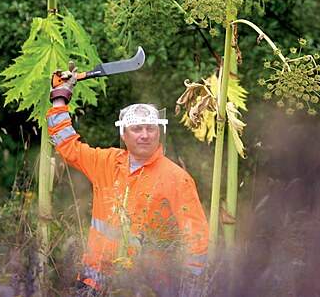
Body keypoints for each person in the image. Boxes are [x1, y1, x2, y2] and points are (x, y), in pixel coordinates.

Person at [46, 62, 209, 295]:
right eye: (137, 129)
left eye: (150, 129)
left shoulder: (176, 178)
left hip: (144, 287)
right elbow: (66, 145)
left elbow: (197, 236)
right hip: (94, 283)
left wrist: (191, 286)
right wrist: (60, 98)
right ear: (123, 133)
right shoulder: (106, 162)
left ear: (159, 131)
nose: (144, 135)